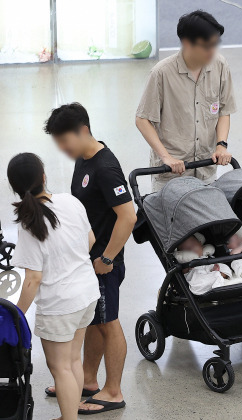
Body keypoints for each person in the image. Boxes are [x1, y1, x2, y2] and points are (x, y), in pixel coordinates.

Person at [43, 103, 136, 415]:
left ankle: (114, 391)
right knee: (94, 322)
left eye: (64, 140)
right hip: (90, 261)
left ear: (83, 130)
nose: (62, 147)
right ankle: (87, 380)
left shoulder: (105, 168)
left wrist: (107, 259)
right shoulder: (84, 159)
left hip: (104, 263)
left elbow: (128, 216)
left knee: (108, 323)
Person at [9, 153, 100, 420]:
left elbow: (33, 278)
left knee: (60, 367)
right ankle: (68, 414)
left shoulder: (29, 225)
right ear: (44, 177)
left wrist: (16, 314)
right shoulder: (71, 202)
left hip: (59, 306)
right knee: (73, 361)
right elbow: (91, 241)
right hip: (86, 294)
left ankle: (69, 418)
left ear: (15, 188)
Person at [136, 10, 236, 192]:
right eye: (207, 46)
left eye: (215, 44)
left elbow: (224, 110)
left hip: (206, 172)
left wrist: (221, 145)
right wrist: (166, 157)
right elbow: (142, 120)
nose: (212, 51)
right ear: (186, 43)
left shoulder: (220, 66)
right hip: (172, 177)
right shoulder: (161, 74)